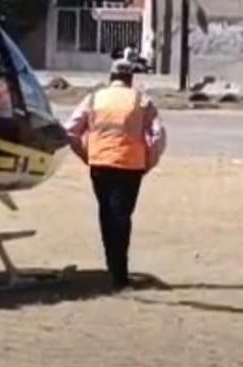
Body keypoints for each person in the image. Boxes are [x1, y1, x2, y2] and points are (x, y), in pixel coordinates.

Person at [64, 59, 166, 290]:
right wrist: (147, 163)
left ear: (110, 78)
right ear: (131, 79)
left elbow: (70, 130)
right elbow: (158, 136)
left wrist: (87, 154)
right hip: (130, 166)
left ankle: (112, 267)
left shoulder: (94, 98)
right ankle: (119, 275)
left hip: (100, 163)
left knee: (107, 214)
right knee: (122, 216)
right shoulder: (141, 100)